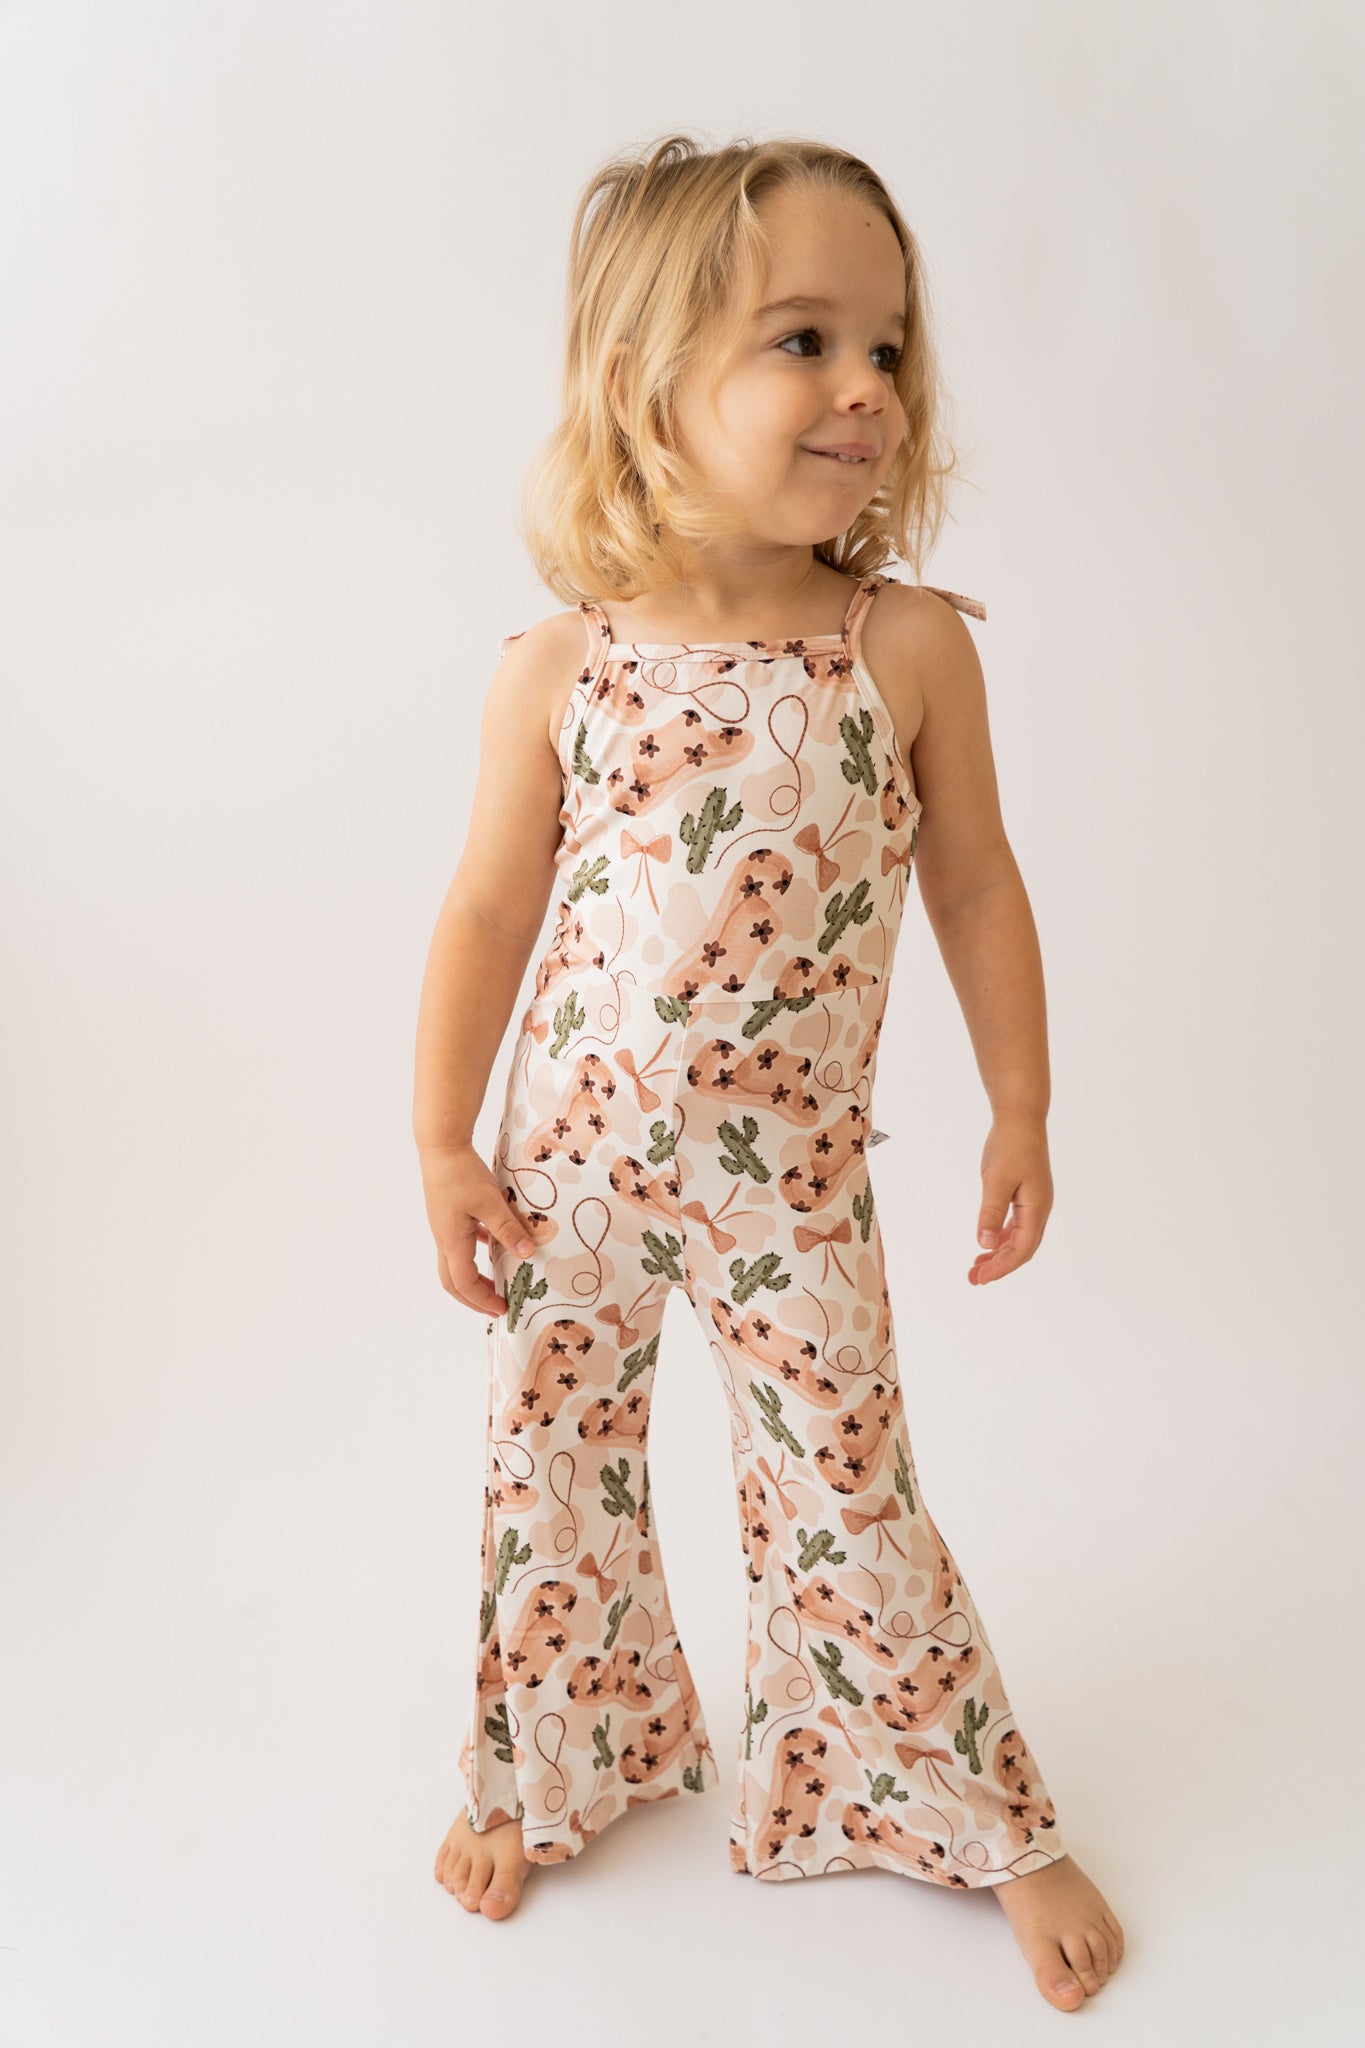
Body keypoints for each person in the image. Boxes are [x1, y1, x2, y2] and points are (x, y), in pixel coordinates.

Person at [412, 133, 1124, 2011]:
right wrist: (440, 1140)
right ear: (645, 386)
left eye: (887, 345)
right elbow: (485, 913)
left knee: (844, 1482)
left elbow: (975, 884)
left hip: (788, 1181)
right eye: (802, 340)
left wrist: (1023, 1105)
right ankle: (549, 1765)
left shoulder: (905, 650)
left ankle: (962, 1809)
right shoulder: (557, 665)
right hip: (566, 1170)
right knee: (548, 1473)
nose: (867, 386)